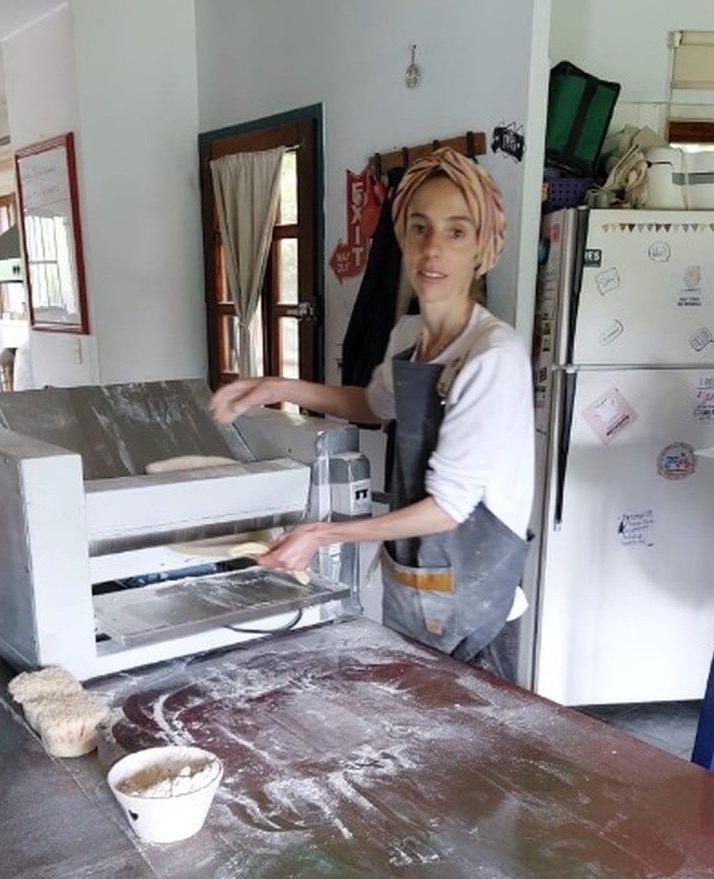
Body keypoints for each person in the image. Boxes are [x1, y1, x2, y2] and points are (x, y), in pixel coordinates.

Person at [210, 147, 534, 680]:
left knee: (469, 758)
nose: (433, 249)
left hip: (479, 612)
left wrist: (323, 533)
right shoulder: (412, 338)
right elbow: (374, 405)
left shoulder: (492, 356)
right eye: (419, 228)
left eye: (456, 231)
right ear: (402, 238)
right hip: (416, 584)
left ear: (483, 247)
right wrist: (278, 386)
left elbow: (448, 510)